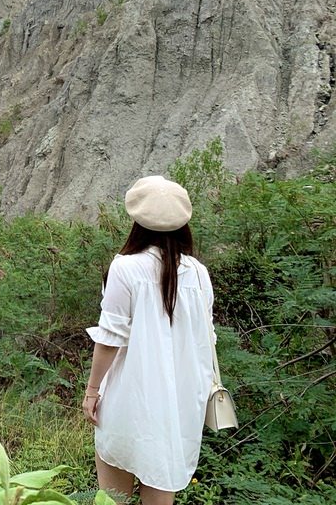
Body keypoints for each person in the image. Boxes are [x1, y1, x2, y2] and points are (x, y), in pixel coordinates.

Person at [82, 175, 216, 505]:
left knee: (113, 498)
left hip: (130, 398)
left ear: (137, 222)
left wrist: (92, 391)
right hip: (178, 405)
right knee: (160, 487)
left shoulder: (125, 268)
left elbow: (110, 338)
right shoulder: (198, 273)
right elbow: (206, 340)